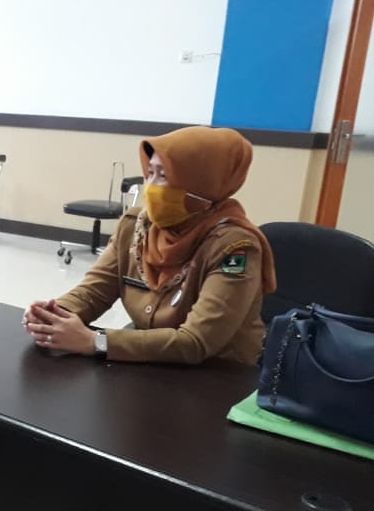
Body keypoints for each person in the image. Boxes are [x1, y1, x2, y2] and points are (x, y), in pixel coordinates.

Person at [24, 126, 276, 365]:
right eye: (149, 173)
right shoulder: (135, 227)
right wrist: (53, 315)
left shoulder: (235, 247)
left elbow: (196, 341)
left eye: (163, 176)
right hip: (147, 363)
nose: (151, 187)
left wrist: (96, 342)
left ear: (201, 184)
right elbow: (95, 291)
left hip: (219, 374)